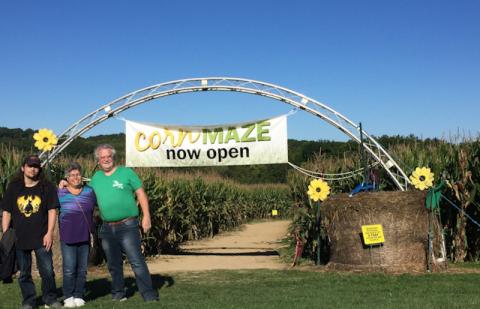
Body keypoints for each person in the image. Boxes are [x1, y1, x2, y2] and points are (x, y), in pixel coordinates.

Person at [90, 144, 158, 302]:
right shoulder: (96, 178)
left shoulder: (126, 172)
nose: (106, 159)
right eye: (102, 157)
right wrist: (65, 185)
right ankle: (118, 294)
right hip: (107, 227)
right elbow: (85, 194)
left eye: (109, 156)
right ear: (98, 160)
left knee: (136, 260)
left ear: (113, 158)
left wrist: (146, 216)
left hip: (128, 225)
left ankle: (149, 295)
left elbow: (141, 193)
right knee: (113, 264)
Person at [1, 155, 62, 309]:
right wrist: (6, 234)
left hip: (42, 237)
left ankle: (50, 298)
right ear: (23, 167)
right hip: (19, 237)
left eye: (36, 166)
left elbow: (52, 211)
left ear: (39, 169)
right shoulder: (14, 187)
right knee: (24, 273)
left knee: (47, 271)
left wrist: (50, 233)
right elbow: (7, 212)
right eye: (30, 166)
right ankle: (29, 301)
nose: (33, 169)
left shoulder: (46, 187)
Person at [57, 162, 96, 308]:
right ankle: (68, 296)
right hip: (67, 235)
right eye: (72, 175)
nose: (75, 177)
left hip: (84, 235)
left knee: (82, 268)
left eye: (78, 174)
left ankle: (79, 294)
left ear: (82, 176)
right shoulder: (60, 192)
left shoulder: (89, 192)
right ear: (67, 177)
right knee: (69, 268)